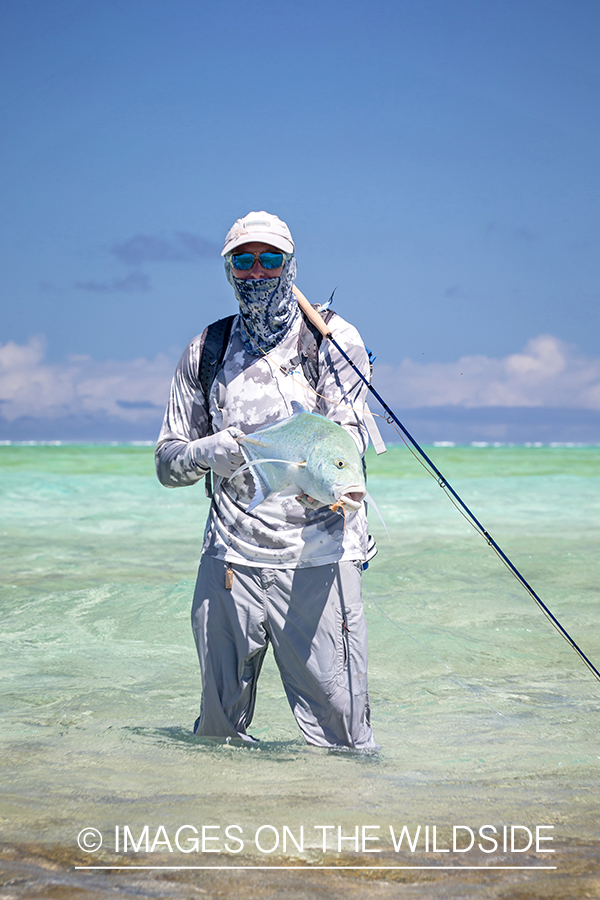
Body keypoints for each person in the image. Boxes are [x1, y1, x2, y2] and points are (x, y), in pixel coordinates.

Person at [155, 211, 379, 750]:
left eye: (270, 258)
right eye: (243, 261)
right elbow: (167, 463)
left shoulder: (333, 339)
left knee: (344, 739)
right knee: (217, 736)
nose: (257, 271)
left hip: (320, 560)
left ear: (290, 264)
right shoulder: (205, 349)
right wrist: (209, 452)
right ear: (228, 270)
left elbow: (347, 443)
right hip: (229, 562)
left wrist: (318, 477)